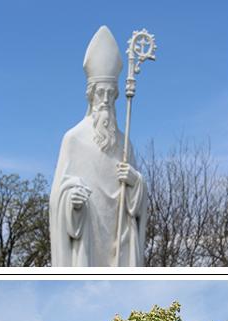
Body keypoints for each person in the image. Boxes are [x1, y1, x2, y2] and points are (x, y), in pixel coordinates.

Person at [49, 26, 148, 267]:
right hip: (88, 236)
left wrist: (135, 181)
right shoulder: (73, 138)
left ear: (116, 97)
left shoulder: (125, 144)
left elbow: (138, 203)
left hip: (120, 237)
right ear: (90, 95)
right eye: (100, 93)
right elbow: (56, 198)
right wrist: (72, 200)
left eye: (110, 93)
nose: (104, 99)